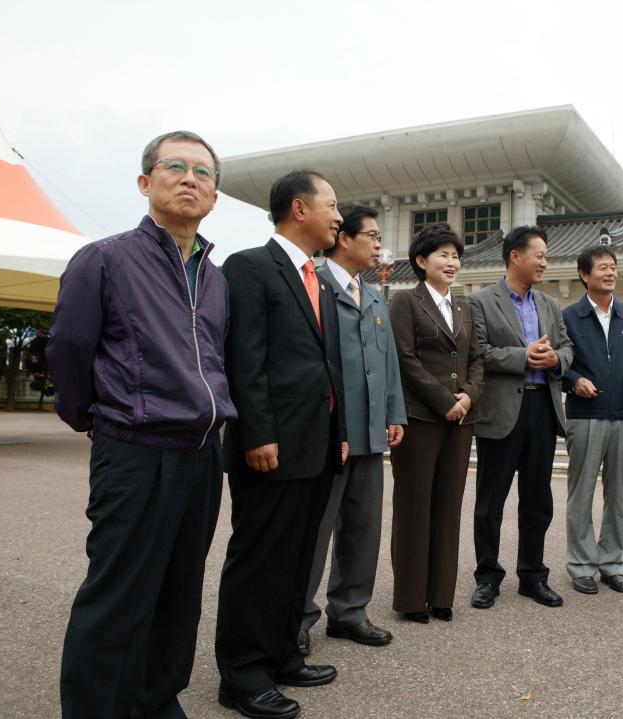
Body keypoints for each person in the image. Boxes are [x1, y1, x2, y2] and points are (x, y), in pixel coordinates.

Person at [49, 130, 237, 719]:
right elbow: (70, 347)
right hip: (134, 449)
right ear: (145, 182)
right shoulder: (104, 259)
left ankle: (156, 700)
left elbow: (217, 357)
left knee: (180, 591)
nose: (190, 179)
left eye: (203, 173)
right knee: (118, 592)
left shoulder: (216, 276)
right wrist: (99, 418)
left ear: (213, 195)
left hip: (203, 455)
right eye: (174, 167)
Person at [214, 170, 348, 719]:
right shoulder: (249, 267)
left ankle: (282, 654)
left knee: (297, 558)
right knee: (260, 560)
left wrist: (338, 435)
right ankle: (242, 676)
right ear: (299, 208)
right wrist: (257, 432)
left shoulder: (320, 275)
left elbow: (326, 366)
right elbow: (245, 358)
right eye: (332, 205)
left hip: (317, 445)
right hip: (271, 445)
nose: (339, 216)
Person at [296, 205, 406, 653]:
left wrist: (394, 413)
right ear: (344, 239)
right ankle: (298, 616)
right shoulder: (314, 286)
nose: (379, 245)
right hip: (329, 432)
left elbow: (388, 361)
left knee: (362, 528)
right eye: (373, 236)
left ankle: (350, 612)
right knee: (316, 530)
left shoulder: (376, 293)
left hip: (369, 432)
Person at [468, 226, 574, 609]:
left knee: (537, 499)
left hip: (542, 408)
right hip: (501, 411)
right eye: (540, 255)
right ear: (515, 256)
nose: (545, 261)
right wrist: (523, 357)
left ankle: (532, 576)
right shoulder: (480, 301)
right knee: (490, 500)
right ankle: (487, 577)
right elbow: (478, 352)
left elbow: (567, 347)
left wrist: (556, 360)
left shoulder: (548, 304)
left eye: (546, 256)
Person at [389, 223, 484, 623]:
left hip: (459, 422)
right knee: (414, 506)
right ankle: (412, 599)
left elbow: (478, 358)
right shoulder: (405, 302)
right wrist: (444, 400)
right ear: (421, 261)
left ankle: (441, 595)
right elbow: (405, 360)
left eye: (456, 256)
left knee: (448, 507)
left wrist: (468, 396)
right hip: (421, 419)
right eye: (443, 255)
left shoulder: (465, 306)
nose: (452, 262)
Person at [561, 245, 623, 595]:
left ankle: (613, 563)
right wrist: (574, 382)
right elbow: (559, 363)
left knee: (619, 496)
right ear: (584, 275)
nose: (609, 272)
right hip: (585, 418)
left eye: (613, 267)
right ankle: (582, 565)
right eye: (601, 267)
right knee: (581, 494)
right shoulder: (569, 317)